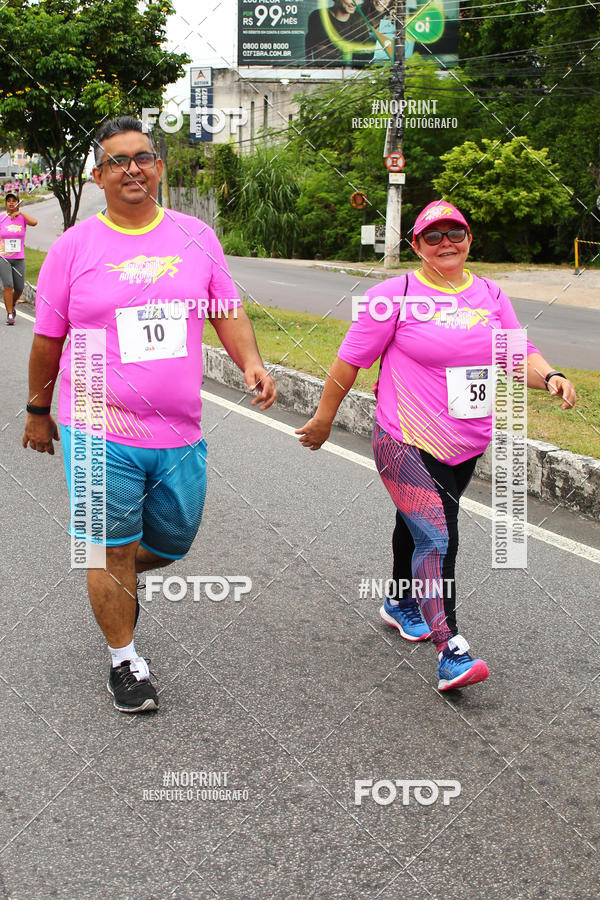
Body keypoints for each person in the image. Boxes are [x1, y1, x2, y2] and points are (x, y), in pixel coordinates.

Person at [22, 116, 277, 713]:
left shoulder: (195, 236)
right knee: (109, 547)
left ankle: (114, 572)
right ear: (98, 175)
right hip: (95, 417)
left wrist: (252, 361)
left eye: (142, 157)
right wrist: (38, 409)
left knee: (173, 539)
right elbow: (47, 340)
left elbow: (227, 309)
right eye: (117, 160)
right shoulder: (73, 247)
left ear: (159, 166)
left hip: (178, 426)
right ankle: (124, 658)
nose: (131, 168)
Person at [296, 200, 576, 691]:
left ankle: (401, 601)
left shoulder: (490, 294)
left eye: (456, 233)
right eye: (433, 236)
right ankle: (450, 649)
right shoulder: (394, 294)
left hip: (466, 442)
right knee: (439, 536)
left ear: (470, 240)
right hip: (403, 438)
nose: (446, 242)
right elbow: (349, 362)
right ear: (416, 246)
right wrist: (323, 419)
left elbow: (517, 354)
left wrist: (550, 375)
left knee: (421, 523)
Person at [0, 191, 37, 325]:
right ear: (6, 204)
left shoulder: (22, 218)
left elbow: (34, 222)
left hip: (19, 258)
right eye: (8, 201)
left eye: (13, 201)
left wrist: (20, 213)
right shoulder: (2, 218)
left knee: (19, 287)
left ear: (18, 204)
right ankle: (10, 314)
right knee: (8, 285)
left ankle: (12, 303)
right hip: (3, 257)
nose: (11, 203)